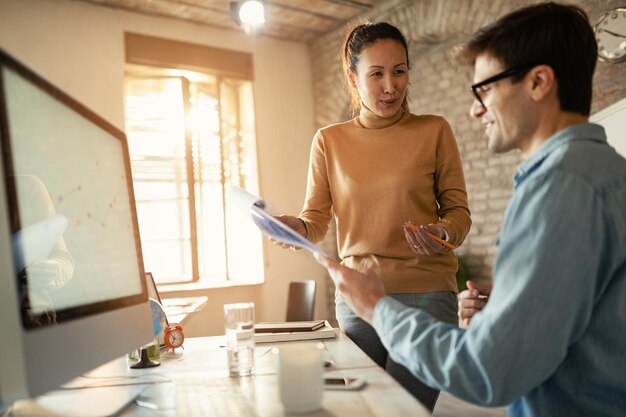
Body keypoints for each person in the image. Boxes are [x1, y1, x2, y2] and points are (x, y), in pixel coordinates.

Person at [314, 3, 626, 417]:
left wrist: (376, 308)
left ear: (538, 82)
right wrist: (512, 306)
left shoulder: (563, 187)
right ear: (354, 79)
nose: (477, 109)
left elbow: (487, 371)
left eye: (486, 89)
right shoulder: (601, 174)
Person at [275, 20, 471, 410]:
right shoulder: (329, 141)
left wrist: (440, 233)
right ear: (353, 77)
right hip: (357, 297)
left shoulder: (434, 130)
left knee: (402, 410)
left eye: (399, 72)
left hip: (427, 295)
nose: (390, 86)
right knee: (364, 410)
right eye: (376, 73)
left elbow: (458, 214)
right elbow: (315, 218)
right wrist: (296, 226)